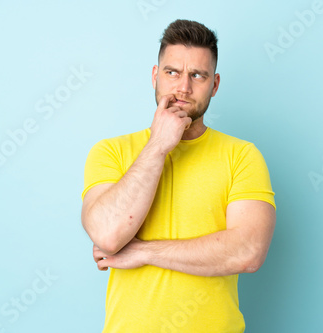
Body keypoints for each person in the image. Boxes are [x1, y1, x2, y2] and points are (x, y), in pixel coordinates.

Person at [81, 19, 276, 333]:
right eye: (172, 72)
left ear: (214, 84)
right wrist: (158, 145)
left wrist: (143, 252)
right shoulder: (110, 151)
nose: (183, 88)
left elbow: (248, 250)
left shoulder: (242, 155)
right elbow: (107, 235)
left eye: (197, 75)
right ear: (155, 76)